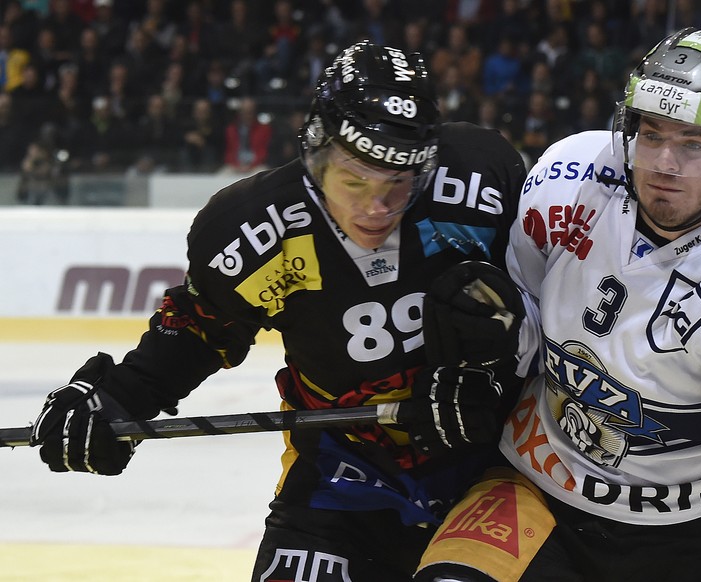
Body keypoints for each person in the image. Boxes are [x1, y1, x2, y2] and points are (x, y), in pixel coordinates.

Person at [28, 41, 532, 582]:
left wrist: (493, 374)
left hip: (493, 469)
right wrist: (119, 396)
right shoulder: (252, 230)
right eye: (353, 179)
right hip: (342, 477)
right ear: (315, 151)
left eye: (398, 183)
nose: (375, 208)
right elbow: (204, 327)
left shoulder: (486, 184)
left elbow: (555, 306)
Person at [415, 28, 701, 581]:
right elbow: (522, 316)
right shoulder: (567, 178)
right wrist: (490, 341)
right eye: (650, 134)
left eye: (693, 143)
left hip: (686, 539)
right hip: (537, 486)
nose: (663, 164)